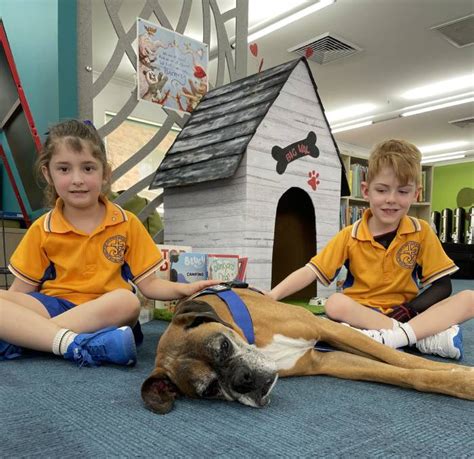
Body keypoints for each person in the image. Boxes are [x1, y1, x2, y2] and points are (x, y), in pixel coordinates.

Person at [0, 120, 219, 366]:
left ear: (105, 173)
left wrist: (183, 289)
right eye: (64, 169)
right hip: (55, 306)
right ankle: (79, 344)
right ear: (47, 173)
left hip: (107, 311)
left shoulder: (127, 223)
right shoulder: (42, 228)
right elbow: (19, 293)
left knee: (127, 301)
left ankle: (30, 339)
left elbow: (149, 286)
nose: (77, 179)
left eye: (88, 168)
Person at [268, 139, 474, 360]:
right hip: (361, 314)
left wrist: (409, 310)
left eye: (403, 192)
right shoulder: (349, 235)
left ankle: (390, 338)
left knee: (470, 298)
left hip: (409, 313)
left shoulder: (421, 231)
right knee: (335, 303)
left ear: (416, 194)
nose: (391, 200)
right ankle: (418, 338)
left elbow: (443, 286)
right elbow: (311, 270)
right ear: (366, 191)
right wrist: (272, 295)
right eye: (382, 190)